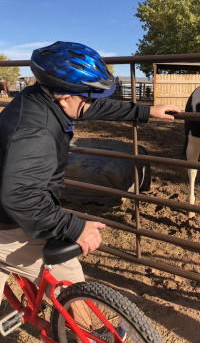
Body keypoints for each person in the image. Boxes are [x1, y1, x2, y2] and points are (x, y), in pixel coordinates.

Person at [0, 41, 180, 305]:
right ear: (65, 96)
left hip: (10, 214)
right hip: (10, 227)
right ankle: (87, 332)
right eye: (89, 95)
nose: (92, 102)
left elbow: (90, 108)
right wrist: (73, 226)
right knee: (69, 280)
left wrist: (145, 111)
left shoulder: (39, 97)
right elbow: (19, 197)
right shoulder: (35, 132)